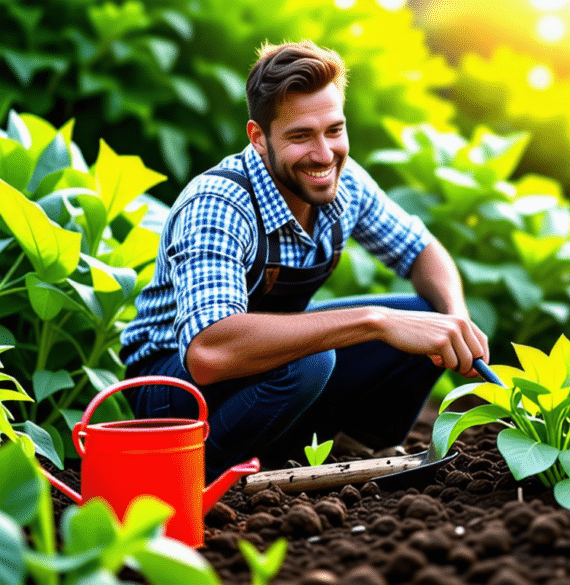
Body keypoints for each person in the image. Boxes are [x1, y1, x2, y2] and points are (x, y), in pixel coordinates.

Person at [119, 40, 489, 481]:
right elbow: (209, 351)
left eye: (334, 130)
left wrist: (457, 321)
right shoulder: (218, 204)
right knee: (312, 359)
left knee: (428, 318)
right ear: (259, 138)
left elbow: (422, 251)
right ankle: (197, 475)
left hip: (265, 380)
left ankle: (347, 454)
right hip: (173, 392)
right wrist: (374, 319)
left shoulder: (343, 180)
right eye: (300, 136)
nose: (323, 153)